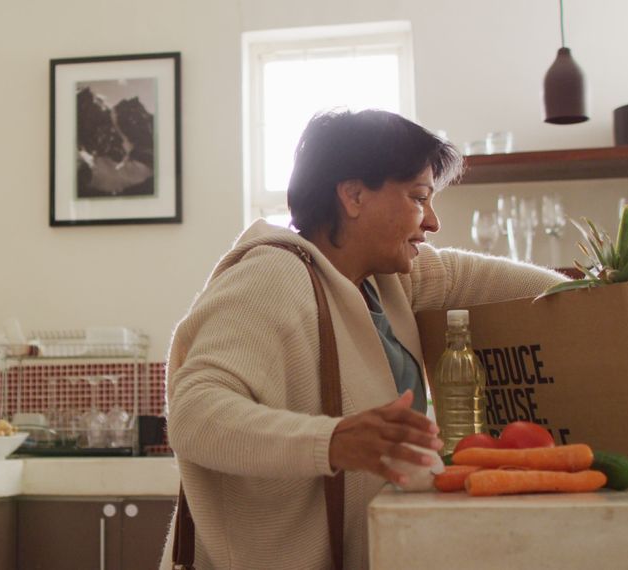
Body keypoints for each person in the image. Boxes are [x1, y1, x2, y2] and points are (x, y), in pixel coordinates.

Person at [161, 109, 566, 569]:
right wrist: (331, 440)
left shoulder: (385, 280)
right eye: (418, 197)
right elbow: (194, 415)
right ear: (353, 195)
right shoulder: (271, 276)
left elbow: (490, 278)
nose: (432, 221)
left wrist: (600, 286)